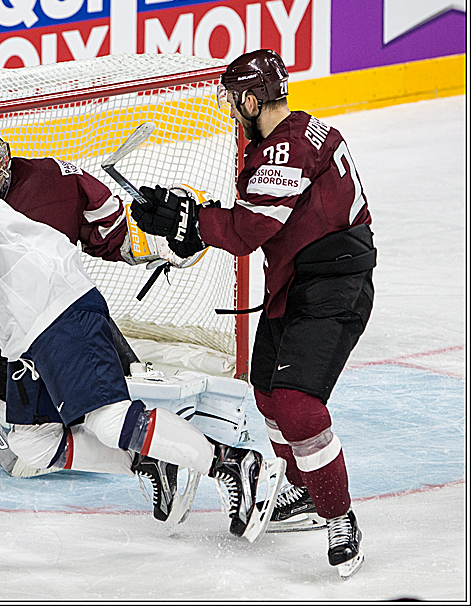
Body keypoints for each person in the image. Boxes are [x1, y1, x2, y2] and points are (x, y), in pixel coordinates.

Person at [0, 138, 285, 541]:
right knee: (32, 442)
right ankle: (152, 459)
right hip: (26, 339)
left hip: (55, 308)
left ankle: (233, 462)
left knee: (108, 419)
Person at [129, 49, 373, 578]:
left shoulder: (284, 151)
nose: (230, 112)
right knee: (264, 394)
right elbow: (250, 218)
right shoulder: (297, 134)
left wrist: (188, 222)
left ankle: (340, 516)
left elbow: (246, 232)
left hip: (333, 288)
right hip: (297, 283)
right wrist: (189, 216)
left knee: (296, 404)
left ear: (249, 99)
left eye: (234, 102)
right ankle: (305, 491)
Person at [0, 118, 180, 519]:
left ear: (1, 163)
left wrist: (160, 243)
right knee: (56, 420)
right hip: (2, 345)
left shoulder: (56, 181)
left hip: (64, 322)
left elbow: (113, 234)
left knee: (108, 402)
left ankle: (195, 453)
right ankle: (143, 458)